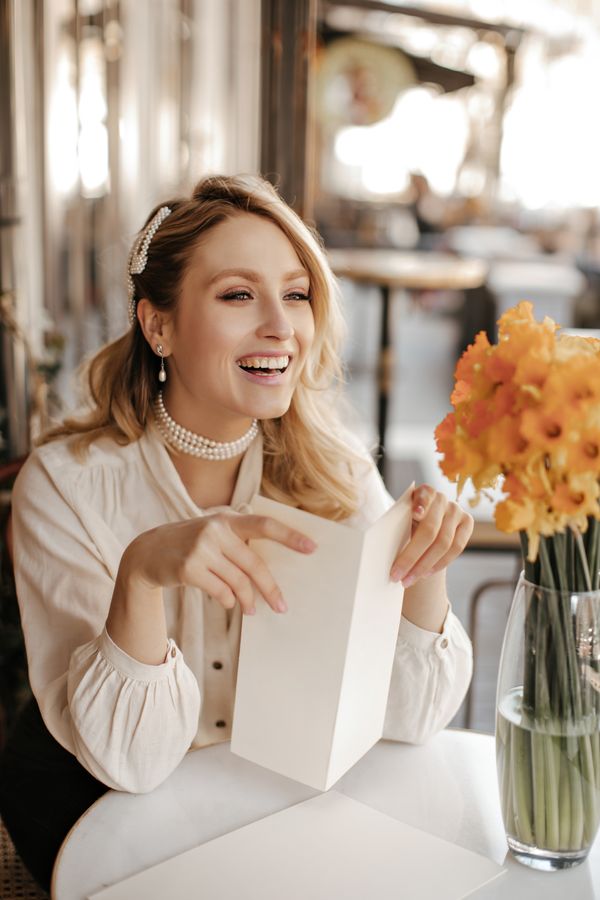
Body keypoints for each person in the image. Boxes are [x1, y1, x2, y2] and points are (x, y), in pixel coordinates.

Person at [0, 174, 473, 891]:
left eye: (295, 293)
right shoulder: (65, 485)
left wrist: (425, 567)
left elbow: (410, 720)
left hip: (282, 805)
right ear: (158, 325)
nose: (282, 327)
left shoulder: (335, 467)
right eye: (237, 294)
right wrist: (142, 575)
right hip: (103, 811)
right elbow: (133, 762)